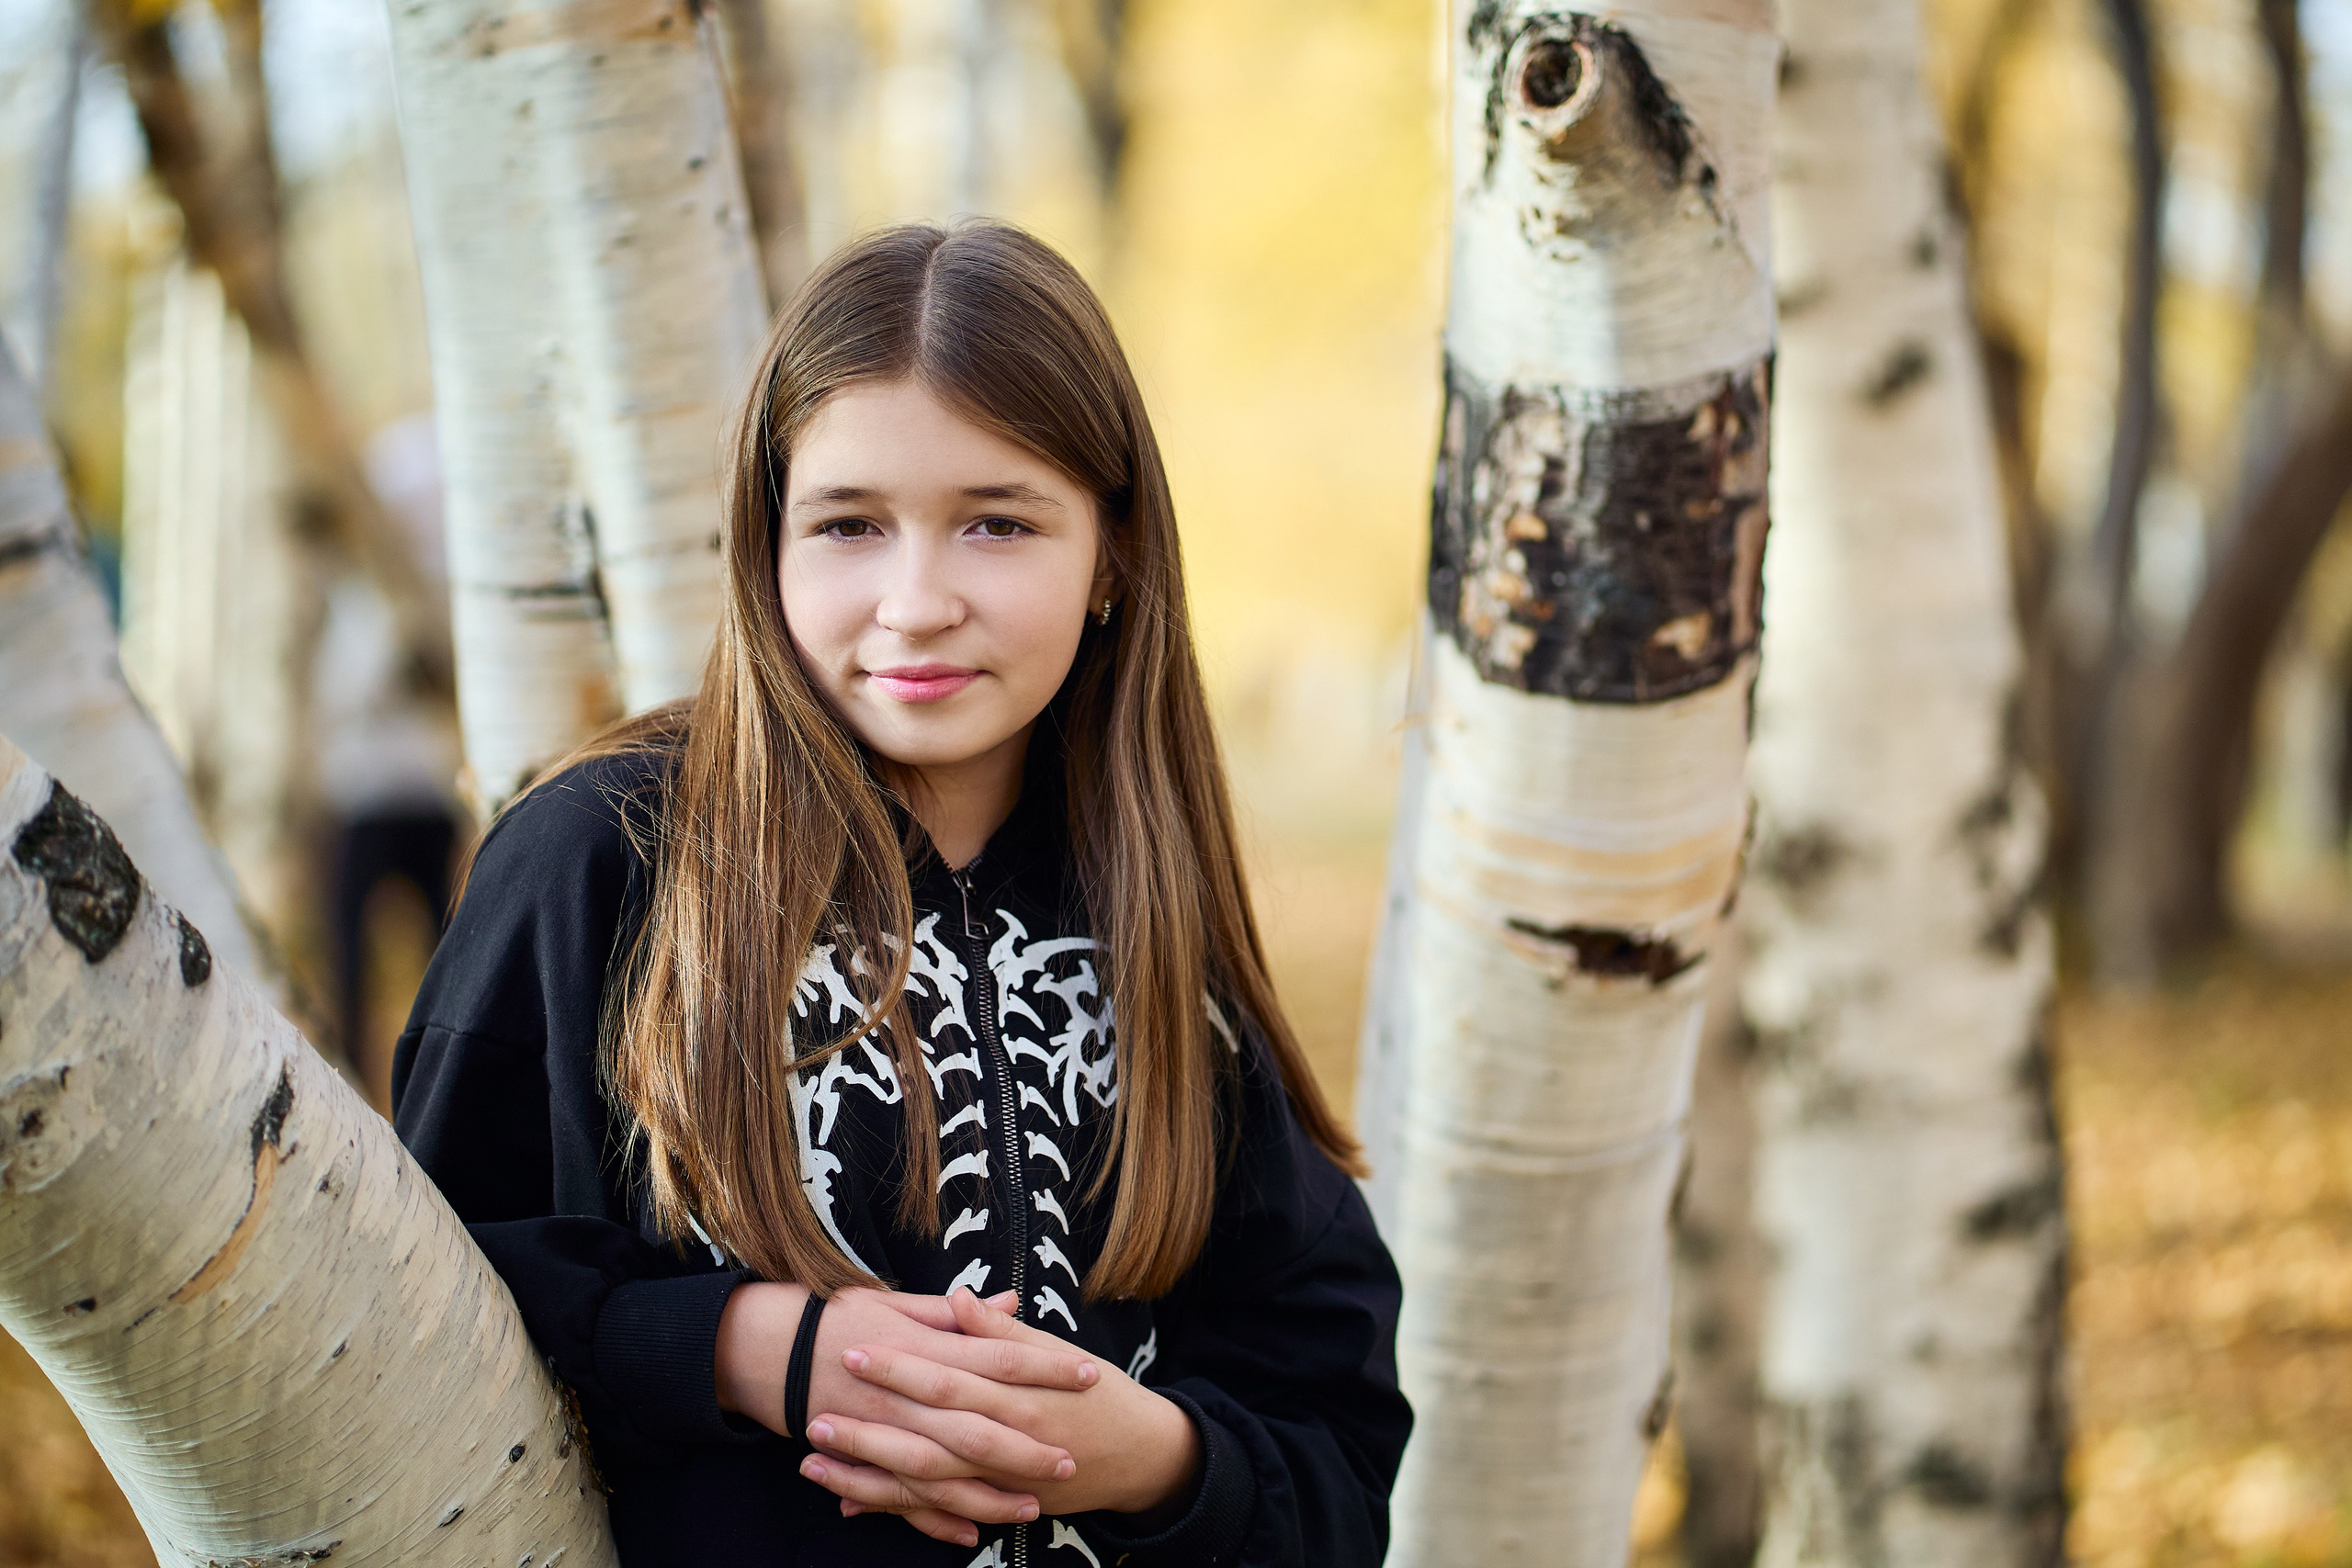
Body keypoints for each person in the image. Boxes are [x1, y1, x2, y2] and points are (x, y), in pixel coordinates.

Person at [390, 222, 1409, 1568]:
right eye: (850, 526)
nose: (916, 602)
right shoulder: (604, 860)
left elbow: (1332, 1432)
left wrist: (1154, 1460)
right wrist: (742, 1346)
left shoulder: (1149, 914)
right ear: (767, 547)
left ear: (1111, 557)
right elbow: (410, 1301)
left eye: (997, 523)